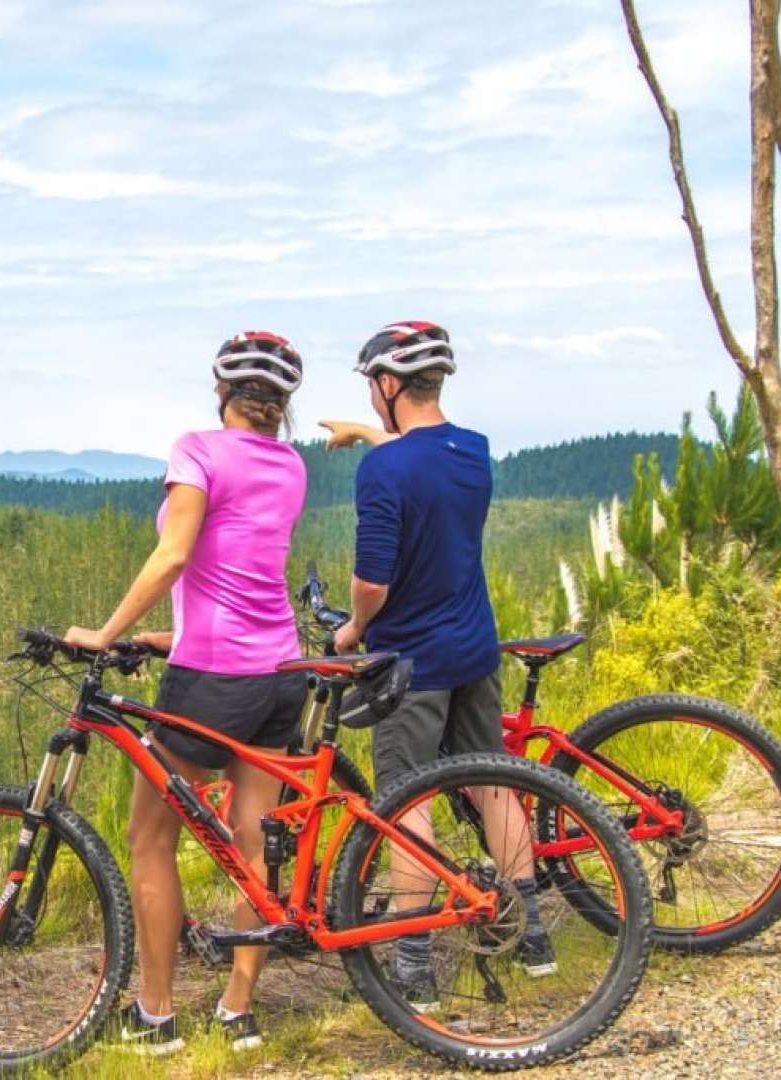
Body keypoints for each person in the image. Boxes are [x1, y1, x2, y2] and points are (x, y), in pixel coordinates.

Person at [63, 331, 309, 1055]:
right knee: (251, 845)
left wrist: (107, 632)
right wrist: (171, 636)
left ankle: (156, 1013)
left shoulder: (197, 450)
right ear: (280, 404)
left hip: (212, 679)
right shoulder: (290, 464)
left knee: (149, 837)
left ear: (221, 391)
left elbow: (176, 555)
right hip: (278, 673)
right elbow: (243, 570)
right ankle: (238, 1011)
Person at [326, 321, 556, 1012]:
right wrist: (369, 437)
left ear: (388, 384)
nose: (370, 399)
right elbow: (417, 460)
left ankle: (414, 963)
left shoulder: (385, 469)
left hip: (411, 662)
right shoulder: (472, 450)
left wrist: (352, 629)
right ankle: (535, 937)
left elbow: (372, 581)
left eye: (372, 387)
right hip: (473, 649)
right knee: (492, 782)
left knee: (406, 802)